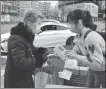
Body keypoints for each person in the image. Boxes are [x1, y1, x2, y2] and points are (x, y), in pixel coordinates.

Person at [4, 9, 48, 88]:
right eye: (38, 24)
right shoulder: (16, 38)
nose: (40, 27)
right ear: (29, 23)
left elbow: (29, 49)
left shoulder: (27, 35)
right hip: (16, 81)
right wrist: (39, 59)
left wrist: (39, 50)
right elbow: (21, 63)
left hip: (25, 77)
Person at [65, 9, 105, 88]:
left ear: (79, 22)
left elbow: (97, 62)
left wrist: (76, 56)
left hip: (102, 71)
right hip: (92, 69)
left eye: (71, 23)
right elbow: (77, 48)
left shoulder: (91, 38)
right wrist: (70, 53)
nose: (69, 26)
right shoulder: (79, 35)